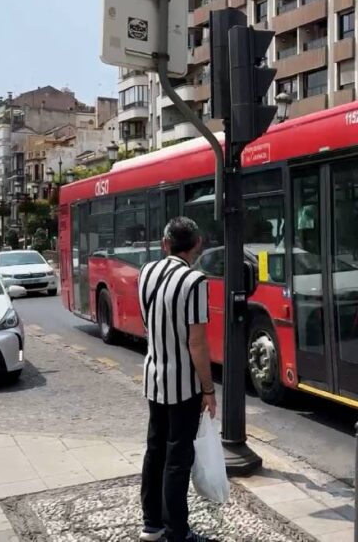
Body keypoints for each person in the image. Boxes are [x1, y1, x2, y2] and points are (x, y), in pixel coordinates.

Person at [137, 217, 216, 542]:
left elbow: (148, 324)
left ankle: (151, 523)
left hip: (154, 377)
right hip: (182, 384)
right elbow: (196, 343)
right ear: (196, 245)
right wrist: (208, 389)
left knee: (154, 450)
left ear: (164, 243)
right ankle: (176, 531)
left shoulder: (147, 273)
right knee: (177, 458)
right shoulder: (194, 281)